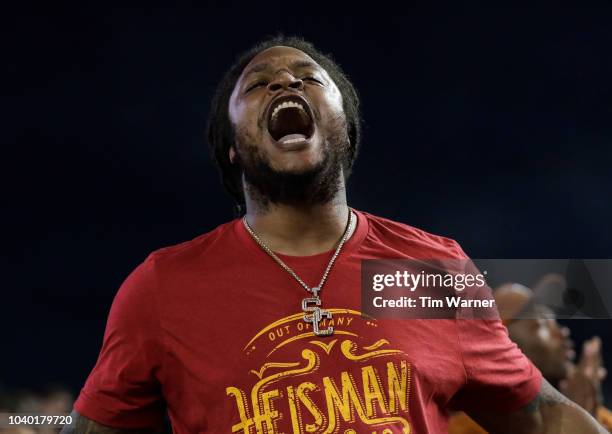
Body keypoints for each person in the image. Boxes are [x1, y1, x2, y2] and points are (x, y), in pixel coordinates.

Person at [62, 35, 607, 433]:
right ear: (231, 146)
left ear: (345, 128)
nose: (284, 81)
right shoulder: (163, 288)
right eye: (258, 84)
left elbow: (545, 417)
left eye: (308, 78)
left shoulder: (430, 271)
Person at [449, 281, 611, 433]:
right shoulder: (462, 428)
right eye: (541, 323)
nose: (562, 332)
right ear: (499, 342)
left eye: (555, 322)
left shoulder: (602, 416)